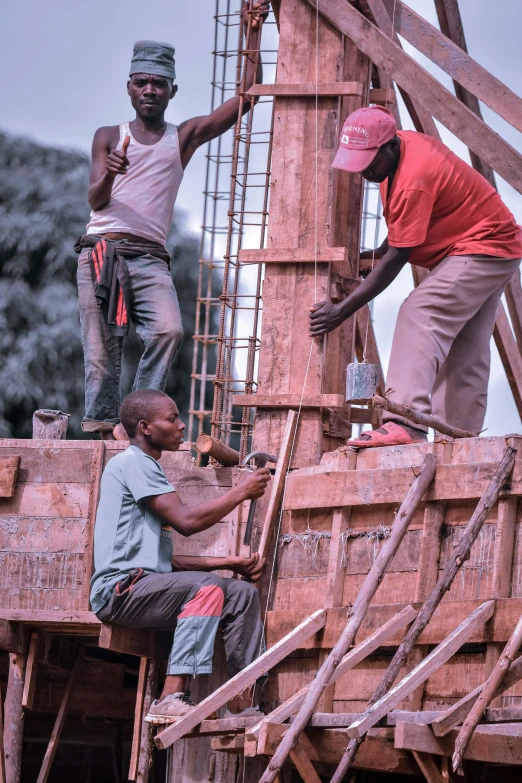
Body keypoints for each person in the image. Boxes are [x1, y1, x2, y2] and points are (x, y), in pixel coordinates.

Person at [75, 2, 269, 440]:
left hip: (149, 258)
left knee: (169, 330)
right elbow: (95, 199)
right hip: (101, 250)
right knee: (101, 350)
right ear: (129, 88)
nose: (149, 89)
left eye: (158, 84)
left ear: (171, 91)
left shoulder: (180, 138)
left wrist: (251, 34)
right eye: (141, 82)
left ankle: (135, 421)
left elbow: (244, 100)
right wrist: (110, 172)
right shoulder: (109, 136)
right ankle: (104, 430)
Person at [310, 105, 522, 448]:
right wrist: (376, 254)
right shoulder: (396, 158)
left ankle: (404, 423)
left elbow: (397, 257)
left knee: (420, 312)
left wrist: (341, 311)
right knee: (465, 347)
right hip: (494, 247)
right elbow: (401, 231)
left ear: (391, 146)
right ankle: (459, 440)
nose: (363, 171)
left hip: (482, 245)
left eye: (369, 161)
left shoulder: (414, 177)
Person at [90, 389, 271, 724]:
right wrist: (241, 492)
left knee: (242, 595)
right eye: (171, 419)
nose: (181, 426)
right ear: (145, 427)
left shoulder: (148, 469)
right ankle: (170, 697)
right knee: (207, 590)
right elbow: (187, 523)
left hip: (146, 585)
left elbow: (166, 567)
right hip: (119, 592)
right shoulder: (133, 462)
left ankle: (240, 705)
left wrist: (228, 564)